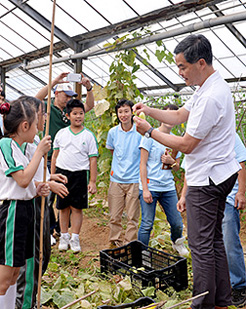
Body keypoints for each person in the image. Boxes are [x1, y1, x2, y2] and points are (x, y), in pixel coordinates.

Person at [133, 34, 240, 309]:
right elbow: (180, 114)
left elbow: (187, 145)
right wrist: (149, 110)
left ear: (200, 63)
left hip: (207, 180)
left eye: (183, 67)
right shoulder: (209, 86)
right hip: (220, 173)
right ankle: (221, 300)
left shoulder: (211, 97)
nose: (180, 73)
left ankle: (201, 304)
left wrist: (150, 132)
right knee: (213, 239)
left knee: (200, 246)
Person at [15, 96, 69, 309]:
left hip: (42, 204)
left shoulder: (37, 140)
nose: (44, 117)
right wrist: (47, 184)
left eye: (45, 113)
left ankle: (32, 298)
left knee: (43, 254)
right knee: (32, 260)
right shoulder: (21, 145)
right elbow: (22, 179)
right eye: (41, 113)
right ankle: (25, 303)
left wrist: (51, 177)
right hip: (30, 205)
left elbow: (39, 170)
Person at [0, 98, 51, 309]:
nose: (38, 127)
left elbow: (24, 183)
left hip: (25, 210)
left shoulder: (19, 147)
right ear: (24, 126)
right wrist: (39, 152)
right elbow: (21, 180)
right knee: (3, 279)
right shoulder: (6, 144)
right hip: (13, 211)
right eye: (36, 122)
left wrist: (36, 189)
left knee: (13, 275)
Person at [36, 73, 95, 245]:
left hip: (68, 163)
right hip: (49, 158)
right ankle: (47, 231)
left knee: (65, 199)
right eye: (67, 95)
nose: (70, 98)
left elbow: (89, 105)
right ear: (56, 94)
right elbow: (35, 99)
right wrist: (54, 82)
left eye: (72, 96)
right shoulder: (47, 107)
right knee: (47, 199)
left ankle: (61, 232)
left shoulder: (70, 111)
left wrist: (88, 88)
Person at [138, 104, 188, 257]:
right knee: (147, 223)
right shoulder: (149, 137)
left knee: (176, 222)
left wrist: (171, 161)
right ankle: (142, 254)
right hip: (150, 185)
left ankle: (176, 242)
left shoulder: (176, 140)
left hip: (168, 187)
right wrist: (145, 189)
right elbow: (142, 164)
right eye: (167, 115)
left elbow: (177, 167)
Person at [51, 99, 98, 252]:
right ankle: (64, 236)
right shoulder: (61, 134)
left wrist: (92, 181)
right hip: (62, 174)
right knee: (63, 207)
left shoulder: (88, 136)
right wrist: (52, 176)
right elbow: (55, 156)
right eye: (75, 113)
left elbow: (92, 159)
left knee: (77, 208)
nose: (78, 116)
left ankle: (75, 237)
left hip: (79, 175)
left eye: (81, 113)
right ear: (68, 115)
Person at [106, 99, 142, 248]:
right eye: (120, 112)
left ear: (132, 112)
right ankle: (115, 243)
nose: (123, 115)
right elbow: (112, 150)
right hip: (116, 180)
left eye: (126, 111)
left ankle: (129, 245)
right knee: (114, 216)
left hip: (134, 180)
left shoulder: (140, 132)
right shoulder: (113, 132)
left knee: (133, 217)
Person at [222, 133, 246, 308]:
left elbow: (241, 165)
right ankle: (221, 285)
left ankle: (239, 286)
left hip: (228, 198)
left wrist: (241, 192)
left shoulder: (230, 134)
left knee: (230, 242)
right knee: (210, 244)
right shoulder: (199, 131)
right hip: (206, 199)